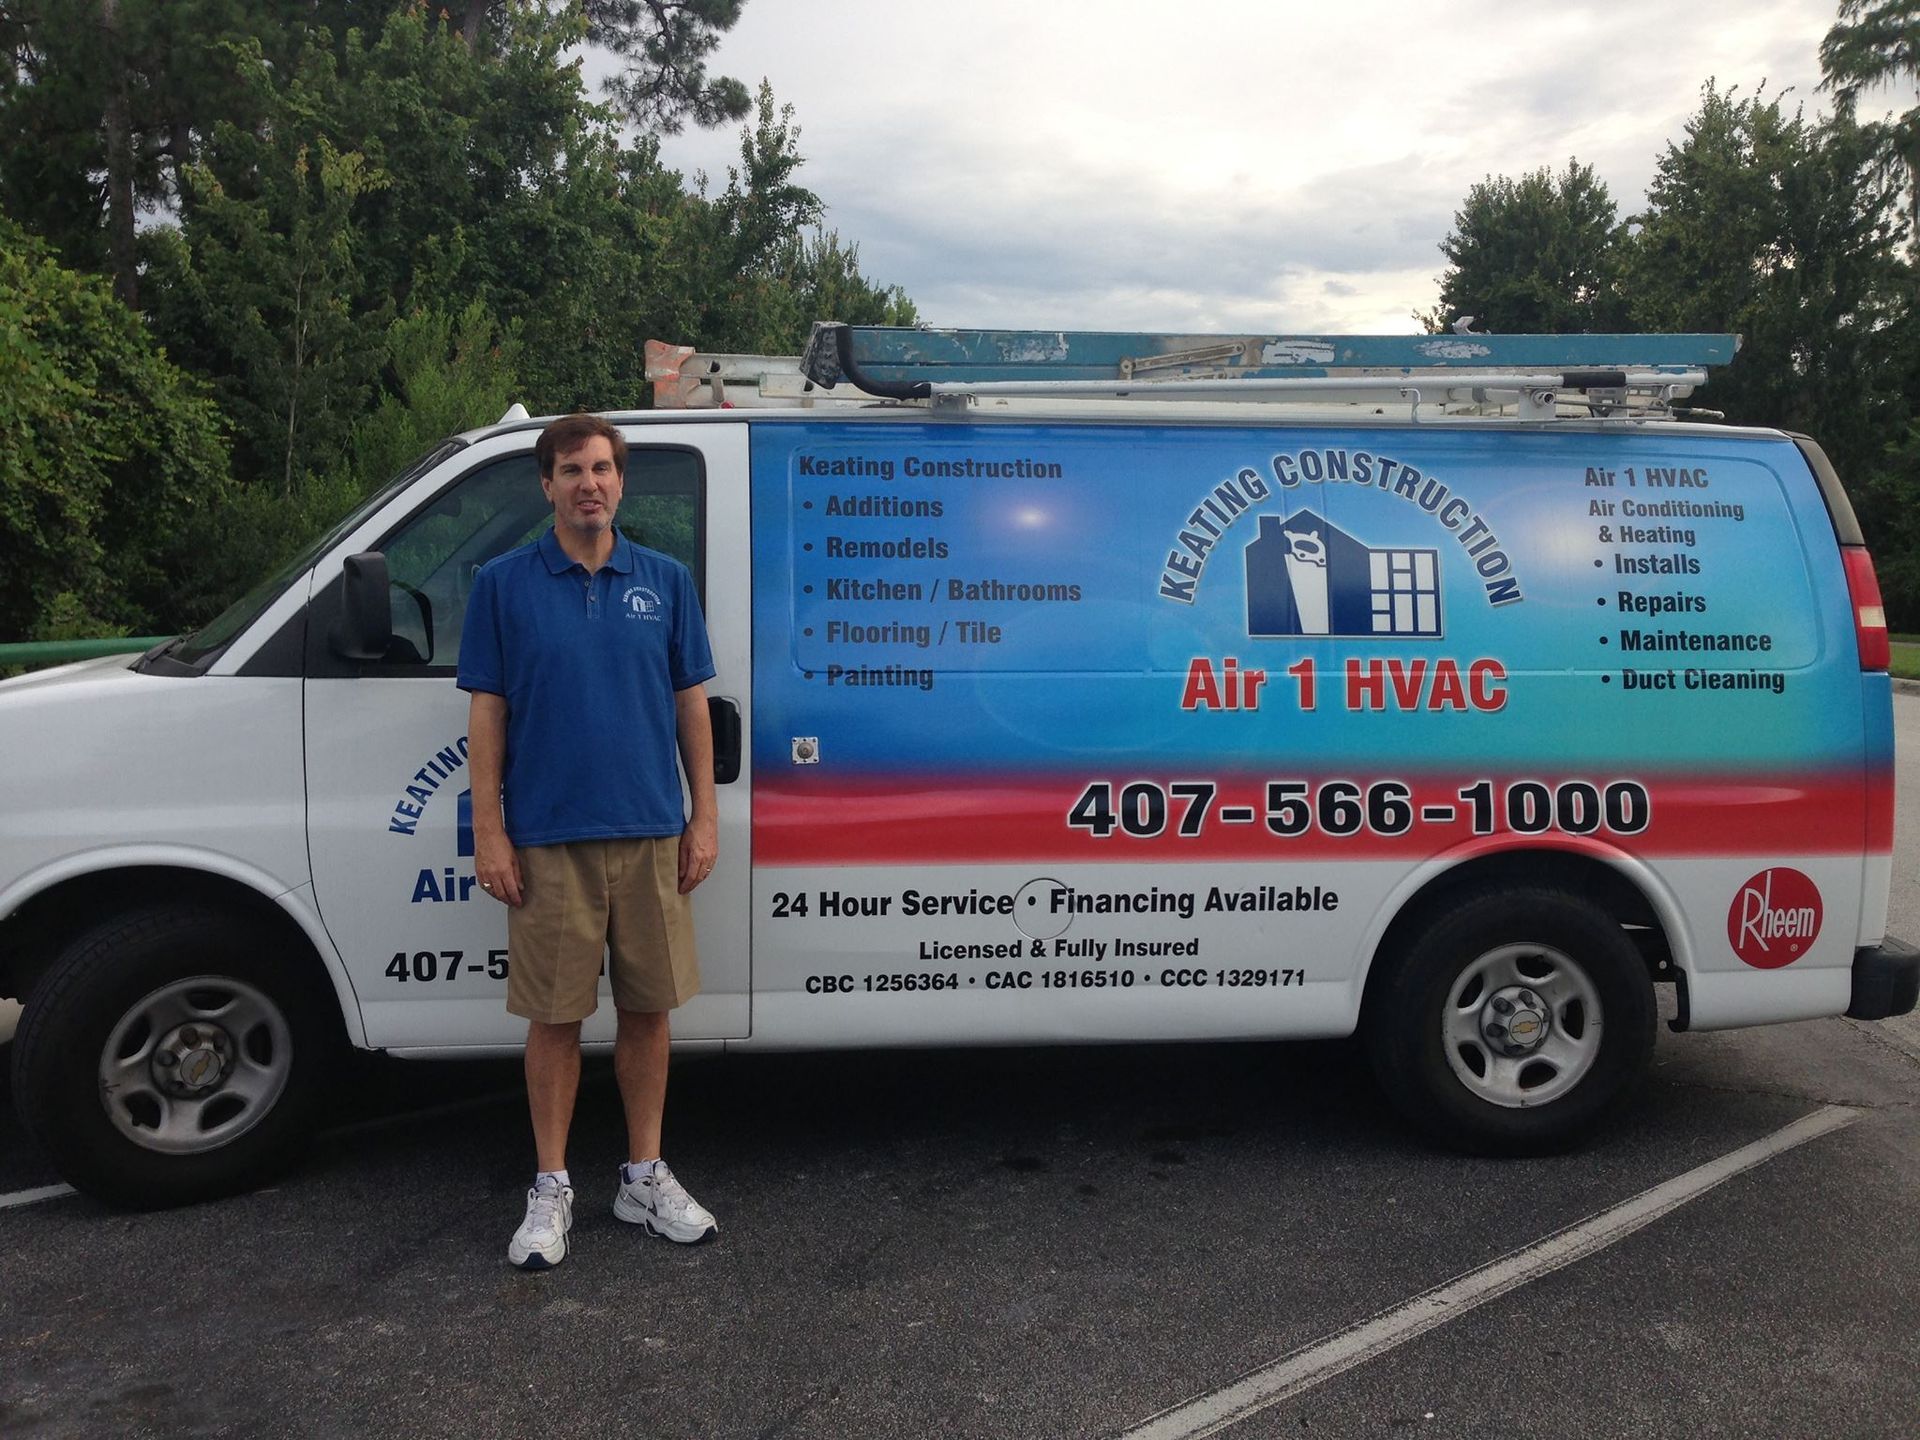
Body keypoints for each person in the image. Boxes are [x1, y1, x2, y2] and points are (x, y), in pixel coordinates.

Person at [457, 412, 720, 1270]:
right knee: (555, 1018)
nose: (590, 484)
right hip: (547, 839)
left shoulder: (666, 580)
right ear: (546, 485)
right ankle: (552, 1187)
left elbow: (691, 703)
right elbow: (487, 713)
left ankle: (643, 1176)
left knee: (649, 1011)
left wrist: (703, 816)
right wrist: (489, 830)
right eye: (572, 470)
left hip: (650, 832)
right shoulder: (502, 584)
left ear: (621, 480)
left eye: (603, 468)